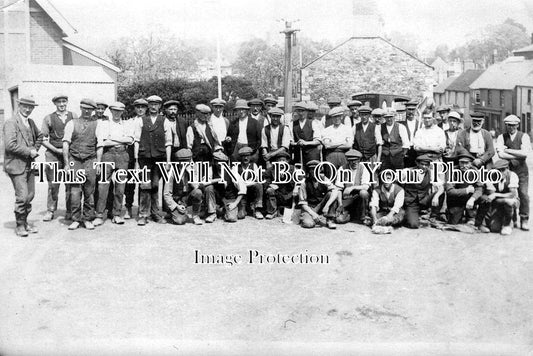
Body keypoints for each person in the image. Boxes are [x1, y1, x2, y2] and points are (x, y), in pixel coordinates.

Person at [3, 96, 43, 237]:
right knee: (22, 196)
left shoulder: (30, 122)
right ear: (19, 106)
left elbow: (40, 136)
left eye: (30, 107)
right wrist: (29, 152)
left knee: (30, 195)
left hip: (29, 165)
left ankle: (25, 223)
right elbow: (10, 145)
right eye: (25, 106)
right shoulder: (11, 122)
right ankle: (20, 225)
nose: (27, 109)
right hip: (15, 164)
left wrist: (35, 149)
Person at [93, 102, 135, 226]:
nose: (117, 113)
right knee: (103, 186)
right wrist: (99, 163)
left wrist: (110, 139)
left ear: (123, 112)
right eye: (114, 110)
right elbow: (102, 143)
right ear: (110, 111)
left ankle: (116, 214)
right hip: (108, 155)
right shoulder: (104, 124)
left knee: (120, 187)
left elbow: (130, 140)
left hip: (123, 155)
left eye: (120, 111)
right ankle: (99, 215)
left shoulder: (127, 124)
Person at [133, 95, 172, 225]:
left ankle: (155, 213)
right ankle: (143, 214)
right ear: (148, 106)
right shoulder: (141, 120)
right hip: (144, 158)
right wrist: (137, 161)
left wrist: (167, 162)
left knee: (155, 186)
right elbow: (137, 141)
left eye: (156, 104)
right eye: (151, 104)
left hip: (159, 158)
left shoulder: (164, 121)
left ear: (160, 106)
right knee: (144, 186)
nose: (153, 107)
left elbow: (168, 143)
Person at [62, 98, 99, 230]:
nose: (87, 111)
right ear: (81, 108)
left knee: (89, 190)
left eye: (90, 109)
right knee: (75, 191)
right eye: (85, 108)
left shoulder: (97, 124)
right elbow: (66, 143)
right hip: (75, 160)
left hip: (90, 160)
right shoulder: (72, 123)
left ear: (93, 110)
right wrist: (67, 164)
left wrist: (98, 163)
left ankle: (88, 218)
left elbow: (99, 145)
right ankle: (76, 219)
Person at [41, 94, 77, 222]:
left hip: (70, 155)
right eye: (59, 102)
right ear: (55, 104)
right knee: (53, 184)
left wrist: (69, 151)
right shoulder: (48, 118)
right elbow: (43, 139)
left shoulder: (74, 116)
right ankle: (50, 210)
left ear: (67, 102)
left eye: (64, 101)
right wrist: (56, 150)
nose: (62, 104)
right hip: (53, 154)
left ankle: (70, 210)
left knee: (70, 184)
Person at [495, 114, 530, 231]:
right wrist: (517, 153)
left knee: (523, 194)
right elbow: (500, 154)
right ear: (506, 125)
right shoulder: (501, 137)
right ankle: (512, 218)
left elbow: (525, 154)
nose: (511, 128)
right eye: (509, 125)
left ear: (518, 125)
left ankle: (524, 218)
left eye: (514, 125)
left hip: (521, 170)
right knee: (509, 192)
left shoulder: (524, 136)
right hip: (507, 169)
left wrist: (508, 150)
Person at [477, 160, 520, 235]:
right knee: (494, 228)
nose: (500, 173)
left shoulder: (512, 175)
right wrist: (496, 196)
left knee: (510, 201)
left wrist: (496, 195)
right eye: (498, 171)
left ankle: (507, 224)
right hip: (496, 202)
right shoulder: (490, 177)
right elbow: (491, 195)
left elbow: (512, 194)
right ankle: (489, 221)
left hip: (510, 200)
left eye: (503, 170)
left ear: (508, 169)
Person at [163, 148, 204, 225]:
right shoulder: (172, 173)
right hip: (177, 201)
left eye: (189, 161)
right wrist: (176, 206)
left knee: (198, 192)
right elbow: (167, 194)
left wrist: (190, 173)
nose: (188, 163)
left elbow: (196, 186)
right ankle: (173, 212)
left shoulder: (193, 168)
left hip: (187, 197)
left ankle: (195, 215)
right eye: (184, 161)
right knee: (180, 221)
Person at [403, 154, 445, 229]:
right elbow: (395, 183)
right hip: (411, 203)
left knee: (440, 194)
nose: (424, 167)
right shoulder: (407, 171)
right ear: (417, 163)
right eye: (422, 164)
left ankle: (433, 217)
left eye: (427, 165)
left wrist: (436, 197)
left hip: (423, 200)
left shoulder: (431, 173)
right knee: (413, 225)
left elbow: (441, 187)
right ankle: (409, 215)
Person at [204, 151, 247, 222]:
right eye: (218, 162)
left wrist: (235, 203)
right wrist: (218, 179)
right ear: (214, 162)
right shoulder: (211, 169)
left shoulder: (232, 171)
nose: (220, 165)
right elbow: (202, 183)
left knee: (232, 218)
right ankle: (212, 213)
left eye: (223, 162)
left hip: (229, 199)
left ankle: (223, 210)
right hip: (217, 199)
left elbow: (243, 188)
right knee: (209, 188)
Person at [445, 149, 484, 225]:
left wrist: (472, 199)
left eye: (467, 163)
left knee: (484, 198)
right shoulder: (452, 171)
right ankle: (456, 214)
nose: (464, 165)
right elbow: (450, 191)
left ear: (471, 163)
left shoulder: (475, 171)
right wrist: (466, 190)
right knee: (454, 223)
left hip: (469, 199)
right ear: (458, 162)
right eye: (462, 163)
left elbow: (479, 188)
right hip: (456, 200)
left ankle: (472, 217)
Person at [123, 98, 148, 220]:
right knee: (130, 182)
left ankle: (142, 209)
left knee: (144, 183)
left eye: (143, 107)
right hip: (132, 153)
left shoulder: (149, 121)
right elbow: (128, 138)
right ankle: (128, 207)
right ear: (134, 108)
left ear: (146, 108)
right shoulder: (129, 122)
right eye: (138, 107)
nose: (140, 109)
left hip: (146, 154)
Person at [298, 160, 340, 229]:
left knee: (330, 194)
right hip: (310, 208)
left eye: (316, 169)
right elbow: (303, 204)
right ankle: (314, 218)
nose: (314, 171)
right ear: (309, 171)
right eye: (312, 169)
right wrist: (313, 213)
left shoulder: (324, 179)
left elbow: (335, 191)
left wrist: (327, 206)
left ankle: (330, 219)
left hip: (321, 205)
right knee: (309, 224)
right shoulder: (304, 182)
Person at [336, 149, 371, 224]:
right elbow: (338, 189)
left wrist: (352, 187)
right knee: (339, 220)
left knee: (364, 193)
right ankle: (350, 215)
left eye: (357, 160)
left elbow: (366, 186)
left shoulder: (363, 168)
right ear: (348, 161)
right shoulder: (342, 169)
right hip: (347, 201)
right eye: (352, 160)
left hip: (358, 200)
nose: (355, 162)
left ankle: (364, 215)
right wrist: (340, 204)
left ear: (359, 160)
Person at [263, 151, 296, 219]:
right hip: (277, 192)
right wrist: (270, 185)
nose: (281, 162)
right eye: (279, 160)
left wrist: (285, 177)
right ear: (276, 161)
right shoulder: (271, 169)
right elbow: (265, 181)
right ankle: (272, 211)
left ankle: (293, 211)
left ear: (287, 161)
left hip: (289, 193)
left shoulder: (292, 169)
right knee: (269, 190)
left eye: (283, 160)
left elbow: (297, 181)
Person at [236, 146, 264, 219]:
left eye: (248, 156)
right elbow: (236, 182)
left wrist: (245, 183)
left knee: (259, 185)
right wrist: (249, 182)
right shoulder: (236, 167)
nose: (246, 158)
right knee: (241, 215)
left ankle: (258, 209)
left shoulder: (254, 166)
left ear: (250, 156)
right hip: (241, 194)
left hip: (252, 192)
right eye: (243, 156)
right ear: (240, 158)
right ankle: (245, 208)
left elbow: (258, 179)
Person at [402, 100, 419, 167]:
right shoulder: (402, 124)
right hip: (405, 151)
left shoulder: (420, 124)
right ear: (406, 110)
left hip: (416, 152)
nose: (411, 112)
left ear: (416, 110)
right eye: (409, 109)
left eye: (413, 109)